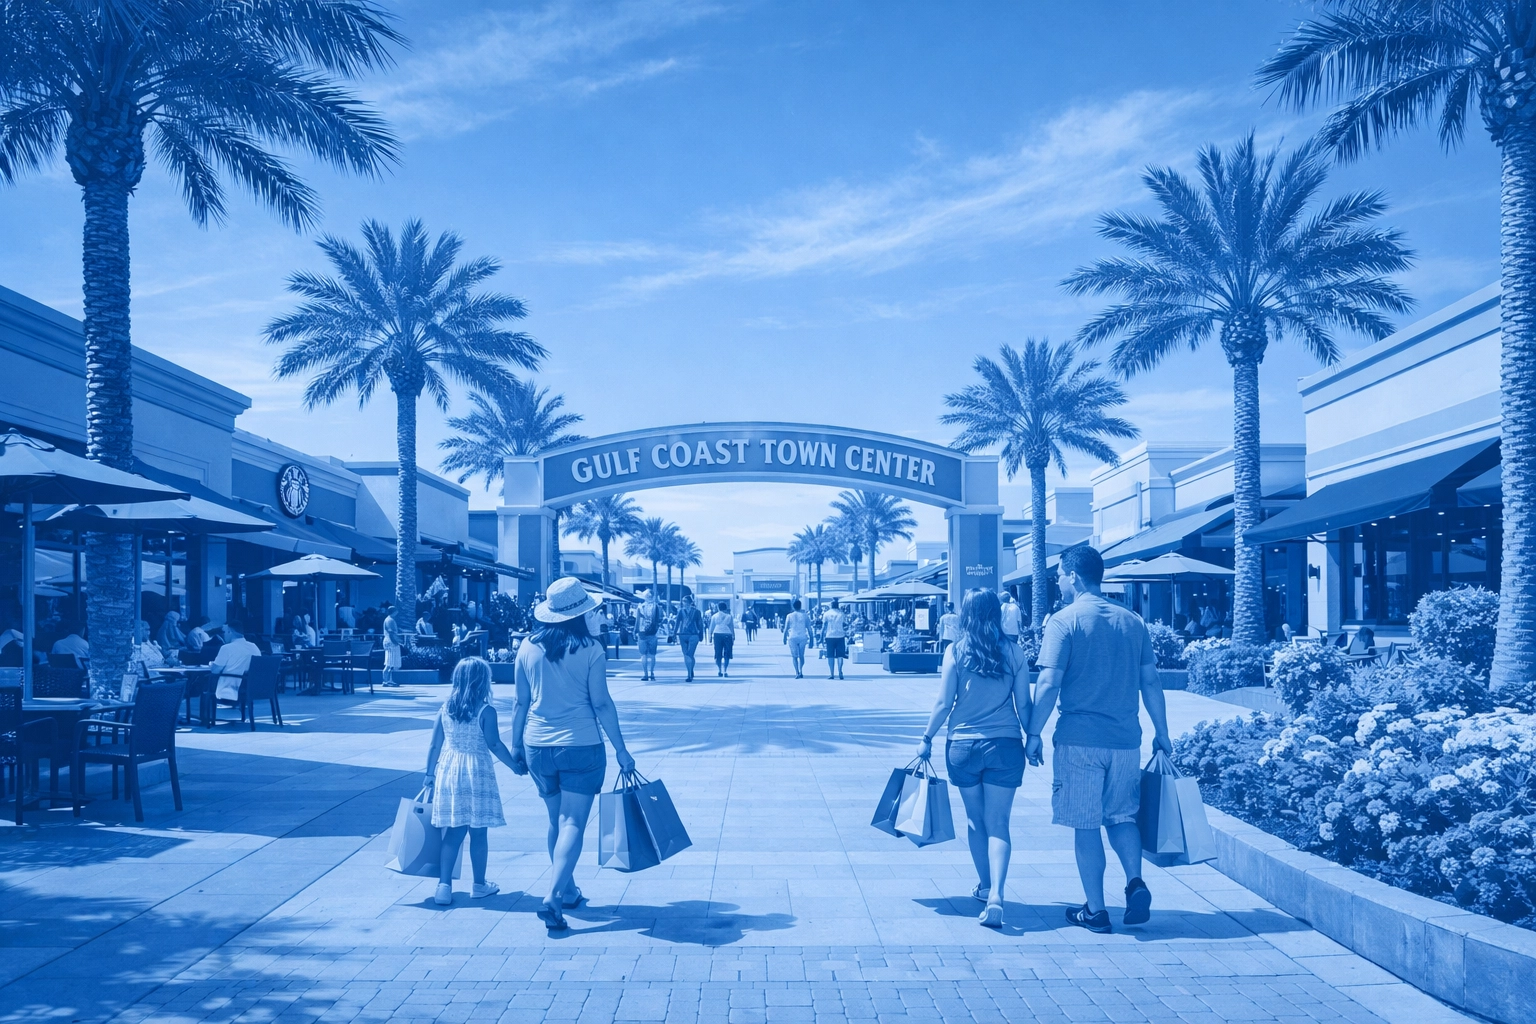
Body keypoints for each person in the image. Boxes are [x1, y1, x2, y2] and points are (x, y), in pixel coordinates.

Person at [1027, 545, 1173, 934]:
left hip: (1079, 741)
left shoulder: (1063, 621)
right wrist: (1162, 733)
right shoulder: (1133, 621)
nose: (1057, 582)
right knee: (1122, 816)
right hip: (1126, 741)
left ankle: (1095, 910)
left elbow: (1048, 681)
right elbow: (1151, 682)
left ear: (1073, 576)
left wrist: (1032, 732)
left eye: (1059, 575)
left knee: (1086, 824)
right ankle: (1134, 882)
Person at [510, 577, 636, 930]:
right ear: (581, 613)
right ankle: (552, 897)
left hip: (537, 745)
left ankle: (567, 889)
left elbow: (520, 702)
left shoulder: (526, 647)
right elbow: (600, 703)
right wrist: (622, 750)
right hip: (581, 746)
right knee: (573, 822)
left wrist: (516, 745)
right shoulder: (591, 648)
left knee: (556, 821)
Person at [916, 589, 1032, 929]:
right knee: (999, 823)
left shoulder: (956, 651)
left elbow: (943, 703)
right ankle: (996, 893)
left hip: (963, 747)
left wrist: (925, 738)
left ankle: (983, 885)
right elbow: (1024, 704)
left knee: (975, 821)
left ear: (966, 615)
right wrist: (1034, 737)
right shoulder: (1014, 652)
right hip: (1006, 745)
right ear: (997, 613)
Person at [425, 657, 520, 906]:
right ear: (483, 681)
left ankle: (443, 887)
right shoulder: (486, 711)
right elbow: (495, 744)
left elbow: (435, 744)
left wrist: (428, 774)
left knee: (453, 832)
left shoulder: (445, 708)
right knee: (479, 832)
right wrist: (515, 766)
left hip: (449, 769)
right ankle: (479, 884)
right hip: (476, 771)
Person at [210, 624, 261, 702]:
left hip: (230, 689)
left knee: (207, 680)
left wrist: (212, 665)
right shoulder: (254, 647)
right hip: (251, 688)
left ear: (229, 632)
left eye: (224, 632)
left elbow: (215, 670)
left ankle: (206, 711)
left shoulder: (226, 648)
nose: (223, 635)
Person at [675, 594, 704, 682]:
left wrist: (701, 634)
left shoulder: (697, 612)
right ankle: (690, 670)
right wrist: (674, 633)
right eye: (683, 601)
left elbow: (700, 624)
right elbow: (677, 623)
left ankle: (689, 675)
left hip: (693, 634)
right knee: (686, 655)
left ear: (690, 602)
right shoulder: (680, 611)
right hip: (682, 634)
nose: (685, 603)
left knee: (689, 654)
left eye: (686, 601)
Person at [635, 590, 661, 682]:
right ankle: (652, 673)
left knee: (643, 655)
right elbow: (658, 620)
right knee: (652, 655)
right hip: (652, 633)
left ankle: (645, 674)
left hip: (642, 633)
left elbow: (637, 621)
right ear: (652, 597)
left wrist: (635, 631)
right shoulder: (656, 606)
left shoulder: (640, 607)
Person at [783, 598, 812, 679]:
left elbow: (786, 628)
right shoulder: (805, 615)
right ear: (800, 606)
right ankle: (801, 670)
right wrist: (812, 638)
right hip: (803, 637)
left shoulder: (789, 616)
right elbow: (809, 628)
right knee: (801, 655)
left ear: (793, 606)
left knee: (794, 656)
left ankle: (797, 672)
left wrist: (784, 637)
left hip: (792, 637)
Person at [822, 598, 847, 680]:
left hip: (829, 636)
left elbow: (824, 626)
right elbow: (845, 624)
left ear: (831, 606)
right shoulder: (842, 613)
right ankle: (840, 671)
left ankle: (832, 674)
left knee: (830, 656)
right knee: (840, 655)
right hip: (840, 636)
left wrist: (822, 637)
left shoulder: (826, 614)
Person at [710, 602, 735, 676]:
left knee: (718, 653)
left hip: (717, 634)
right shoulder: (729, 616)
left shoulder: (714, 616)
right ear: (725, 608)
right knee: (727, 653)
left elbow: (711, 627)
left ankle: (719, 670)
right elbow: (731, 627)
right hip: (727, 634)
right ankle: (725, 671)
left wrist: (710, 637)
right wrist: (733, 636)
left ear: (718, 608)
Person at [382, 603, 403, 687]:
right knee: (389, 662)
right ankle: (385, 680)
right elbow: (391, 632)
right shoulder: (389, 620)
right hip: (391, 642)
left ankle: (389, 680)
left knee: (391, 662)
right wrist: (395, 642)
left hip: (390, 641)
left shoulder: (389, 619)